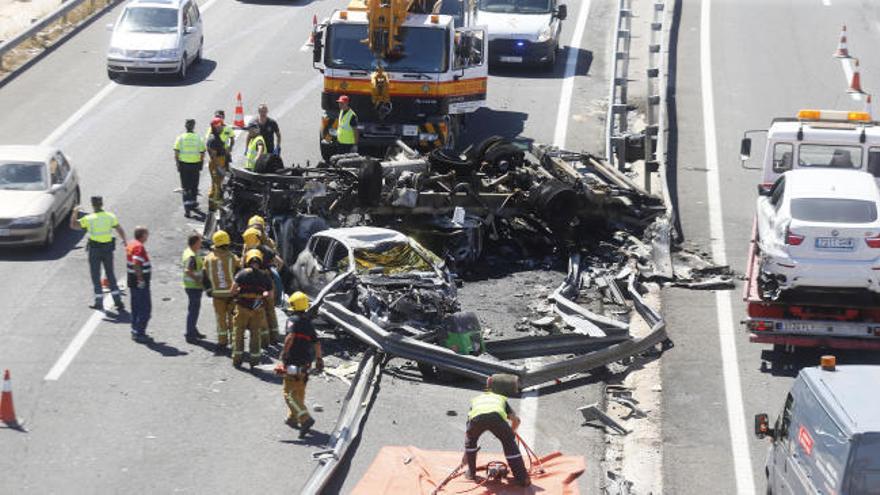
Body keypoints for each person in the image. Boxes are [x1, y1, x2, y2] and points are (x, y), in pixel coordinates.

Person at [464, 374, 531, 487]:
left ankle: (471, 473)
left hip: (476, 419)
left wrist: (467, 453)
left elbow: (469, 429)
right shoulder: (500, 399)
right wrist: (511, 433)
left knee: (471, 441)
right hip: (496, 417)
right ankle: (522, 478)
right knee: (509, 444)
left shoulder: (476, 400)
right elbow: (516, 420)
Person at [69, 195, 128, 311]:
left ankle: (99, 302)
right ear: (102, 204)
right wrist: (125, 240)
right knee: (110, 274)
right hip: (108, 249)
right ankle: (118, 301)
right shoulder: (110, 216)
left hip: (95, 249)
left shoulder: (89, 218)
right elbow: (119, 228)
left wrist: (75, 212)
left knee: (95, 275)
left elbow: (73, 225)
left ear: (92, 205)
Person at [278, 292, 323, 438]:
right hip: (305, 365)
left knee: (289, 394)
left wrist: (284, 354)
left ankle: (305, 418)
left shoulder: (292, 320)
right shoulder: (309, 324)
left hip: (293, 362)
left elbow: (290, 337)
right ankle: (293, 418)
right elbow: (316, 343)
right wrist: (319, 360)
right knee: (299, 392)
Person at [230, 249, 273, 368]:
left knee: (238, 333)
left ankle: (237, 359)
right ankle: (254, 361)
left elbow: (232, 290)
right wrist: (261, 295)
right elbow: (270, 295)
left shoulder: (241, 274)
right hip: (258, 310)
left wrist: (238, 293)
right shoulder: (265, 276)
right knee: (255, 334)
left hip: (242, 308)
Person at [241, 227, 281, 347]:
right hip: (269, 283)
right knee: (271, 310)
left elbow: (242, 267)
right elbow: (280, 263)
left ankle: (264, 340)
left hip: (256, 285)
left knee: (260, 311)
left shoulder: (249, 254)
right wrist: (272, 274)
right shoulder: (267, 250)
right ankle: (274, 337)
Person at [203, 230, 240, 352]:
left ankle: (222, 341)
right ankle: (235, 341)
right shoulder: (232, 258)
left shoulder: (208, 259)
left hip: (217, 295)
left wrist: (208, 290)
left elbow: (205, 276)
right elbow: (239, 274)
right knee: (233, 319)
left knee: (220, 319)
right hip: (232, 294)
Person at [173, 119, 206, 217]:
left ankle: (187, 210)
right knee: (194, 187)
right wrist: (201, 164)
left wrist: (178, 164)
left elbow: (176, 153)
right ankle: (194, 205)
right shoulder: (198, 138)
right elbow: (202, 153)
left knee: (185, 188)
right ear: (194, 126)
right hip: (195, 165)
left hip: (184, 165)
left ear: (185, 126)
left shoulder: (181, 138)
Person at [126, 226, 152, 341]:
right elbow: (136, 264)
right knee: (145, 308)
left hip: (132, 280)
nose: (148, 236)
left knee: (135, 306)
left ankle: (135, 330)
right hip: (139, 282)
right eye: (147, 234)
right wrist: (141, 279)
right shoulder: (139, 247)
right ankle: (140, 333)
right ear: (142, 235)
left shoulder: (131, 243)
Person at [182, 233, 207, 344]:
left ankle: (193, 330)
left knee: (193, 310)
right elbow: (188, 270)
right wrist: (198, 279)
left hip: (192, 287)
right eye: (199, 241)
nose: (201, 243)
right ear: (195, 243)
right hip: (193, 287)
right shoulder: (191, 256)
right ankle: (190, 334)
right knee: (193, 311)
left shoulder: (189, 252)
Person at [206, 117, 229, 212]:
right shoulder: (213, 139)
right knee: (216, 186)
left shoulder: (215, 137)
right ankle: (213, 207)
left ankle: (216, 205)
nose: (222, 128)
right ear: (215, 127)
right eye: (220, 126)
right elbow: (213, 156)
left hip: (219, 162)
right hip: (217, 163)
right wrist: (218, 167)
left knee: (217, 185)